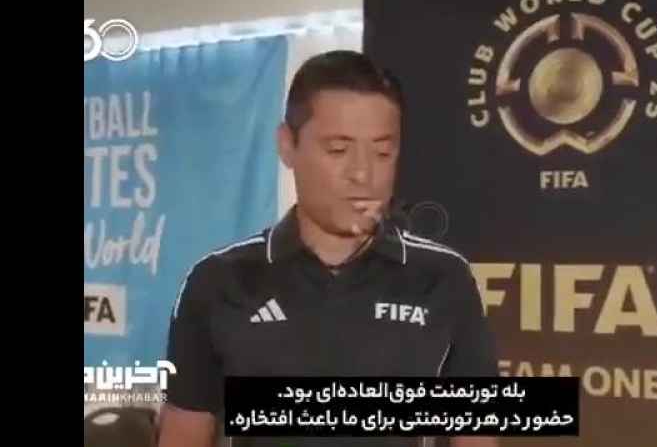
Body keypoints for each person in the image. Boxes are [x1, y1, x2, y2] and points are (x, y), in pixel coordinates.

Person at [157, 50, 499, 447]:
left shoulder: (444, 279)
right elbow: (183, 433)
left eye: (382, 152)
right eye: (338, 149)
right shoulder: (217, 283)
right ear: (288, 145)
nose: (363, 173)